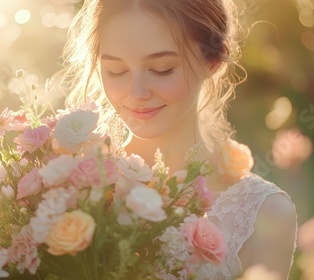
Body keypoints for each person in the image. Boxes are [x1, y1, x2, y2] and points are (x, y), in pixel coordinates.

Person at [56, 0, 297, 279]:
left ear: (213, 61)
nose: (136, 92)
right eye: (116, 71)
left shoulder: (263, 213)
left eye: (162, 68)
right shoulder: (64, 184)